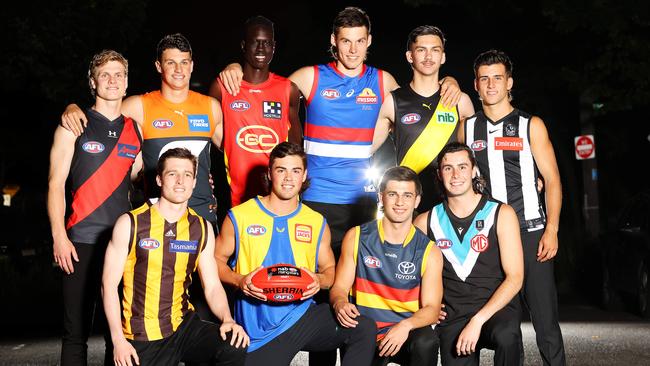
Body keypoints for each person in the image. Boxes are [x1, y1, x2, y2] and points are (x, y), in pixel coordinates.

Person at [219, 7, 462, 258]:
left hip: (363, 199)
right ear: (334, 41)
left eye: (360, 41)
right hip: (314, 197)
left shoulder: (382, 81)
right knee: (311, 274)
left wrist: (448, 81)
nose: (353, 50)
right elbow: (263, 87)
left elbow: (420, 98)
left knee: (353, 280)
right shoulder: (310, 77)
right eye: (346, 41)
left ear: (369, 41)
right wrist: (236, 65)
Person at [214, 142, 377, 366]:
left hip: (302, 317)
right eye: (281, 170)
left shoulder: (316, 221)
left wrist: (318, 280)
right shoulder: (239, 216)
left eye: (296, 171)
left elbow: (330, 271)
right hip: (260, 331)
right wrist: (239, 280)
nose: (288, 178)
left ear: (304, 175)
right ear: (270, 174)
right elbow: (216, 261)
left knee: (364, 327)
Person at [459, 50, 565, 365]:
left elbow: (553, 180)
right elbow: (458, 179)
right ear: (476, 86)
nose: (491, 85)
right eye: (484, 78)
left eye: (497, 78)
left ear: (509, 83)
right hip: (489, 238)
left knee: (545, 324)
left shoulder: (530, 125)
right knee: (507, 327)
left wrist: (553, 229)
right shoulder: (466, 129)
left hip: (531, 232)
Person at [102, 147, 248, 366]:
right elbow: (108, 286)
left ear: (194, 181)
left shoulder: (201, 228)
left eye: (187, 175)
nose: (180, 181)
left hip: (183, 327)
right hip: (141, 336)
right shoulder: (130, 223)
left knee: (234, 343)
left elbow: (212, 286)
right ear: (160, 180)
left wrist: (227, 319)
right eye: (172, 174)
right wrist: (118, 341)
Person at [61, 33, 223, 225]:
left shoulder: (210, 107)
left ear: (192, 65)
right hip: (156, 218)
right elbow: (100, 115)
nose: (179, 69)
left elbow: (237, 153)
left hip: (202, 214)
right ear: (158, 66)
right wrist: (71, 106)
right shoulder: (138, 106)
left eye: (184, 62)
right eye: (171, 62)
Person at [47, 49, 142, 366]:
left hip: (121, 245)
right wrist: (60, 236)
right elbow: (55, 185)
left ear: (127, 82)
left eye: (119, 74)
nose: (112, 80)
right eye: (105, 74)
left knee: (122, 332)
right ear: (92, 82)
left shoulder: (135, 130)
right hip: (81, 242)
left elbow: (139, 182)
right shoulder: (73, 125)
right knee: (76, 333)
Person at [414, 142, 525, 365]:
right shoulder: (425, 221)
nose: (455, 175)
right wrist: (429, 307)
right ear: (439, 174)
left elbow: (515, 278)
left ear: (474, 170)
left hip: (496, 309)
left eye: (462, 167)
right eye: (448, 168)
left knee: (507, 337)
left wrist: (478, 320)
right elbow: (409, 275)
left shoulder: (501, 213)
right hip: (453, 315)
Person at [330, 166, 443, 366]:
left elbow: (432, 309)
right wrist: (340, 303)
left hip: (405, 331)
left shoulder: (429, 251)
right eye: (393, 194)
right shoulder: (356, 237)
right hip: (366, 331)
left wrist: (405, 326)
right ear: (381, 197)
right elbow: (339, 288)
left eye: (407, 195)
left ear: (417, 200)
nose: (400, 202)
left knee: (426, 342)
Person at [372, 25, 475, 213]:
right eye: (421, 50)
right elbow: (365, 149)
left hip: (452, 204)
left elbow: (478, 155)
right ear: (410, 56)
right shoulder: (392, 101)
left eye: (435, 50)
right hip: (408, 205)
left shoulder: (460, 101)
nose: (429, 57)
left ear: (443, 56)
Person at [208, 15, 302, 207]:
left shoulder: (288, 89)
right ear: (243, 45)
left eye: (266, 43)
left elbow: (295, 147)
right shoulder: (222, 87)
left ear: (274, 47)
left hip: (280, 200)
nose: (261, 49)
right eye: (255, 42)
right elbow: (206, 134)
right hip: (237, 201)